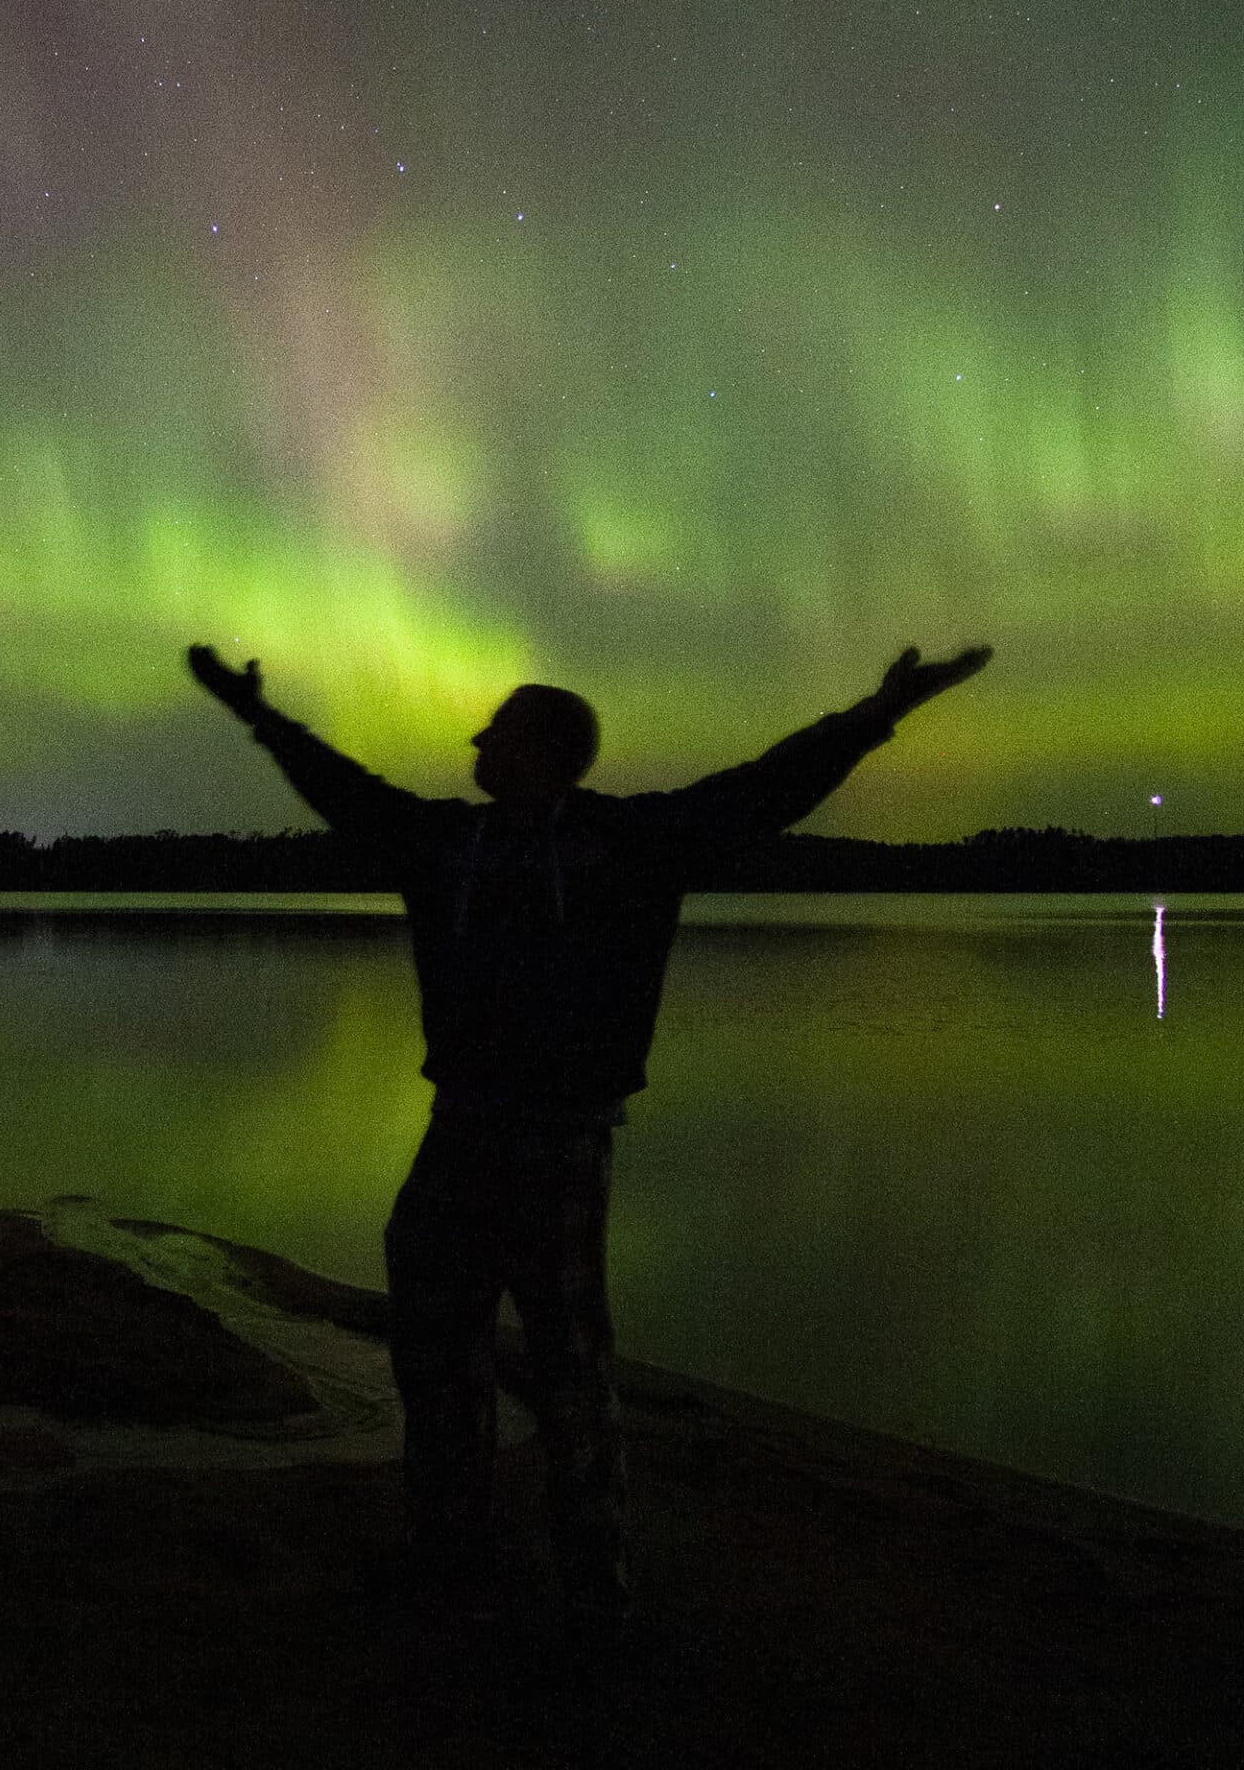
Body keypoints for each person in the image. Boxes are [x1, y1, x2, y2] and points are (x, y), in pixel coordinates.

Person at [186, 636, 992, 1633]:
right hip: (462, 1139)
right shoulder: (451, 845)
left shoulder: (628, 844)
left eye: (499, 725)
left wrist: (877, 713)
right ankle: (455, 1554)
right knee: (440, 1356)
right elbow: (344, 790)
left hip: (560, 1144)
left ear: (539, 749)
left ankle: (593, 1587)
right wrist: (259, 718)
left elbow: (766, 790)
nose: (478, 734)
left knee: (568, 1370)